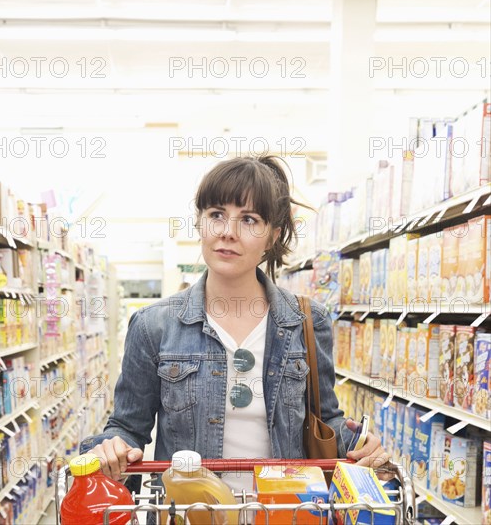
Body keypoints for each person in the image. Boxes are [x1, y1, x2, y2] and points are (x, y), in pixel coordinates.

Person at [80, 155, 389, 490]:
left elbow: (324, 418)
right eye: (216, 215)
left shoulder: (307, 322)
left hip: (283, 512)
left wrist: (360, 444)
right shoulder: (153, 326)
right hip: (190, 513)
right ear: (200, 223)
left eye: (249, 220)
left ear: (273, 236)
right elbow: (128, 427)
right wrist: (112, 446)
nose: (228, 232)